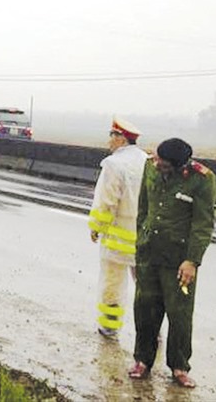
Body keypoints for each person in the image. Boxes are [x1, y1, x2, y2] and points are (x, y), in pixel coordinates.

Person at [128, 138, 216, 388]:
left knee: (179, 315)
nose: (157, 166)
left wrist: (192, 260)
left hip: (178, 261)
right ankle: (142, 360)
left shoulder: (202, 180)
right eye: (156, 160)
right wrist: (140, 240)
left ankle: (179, 366)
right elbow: (143, 208)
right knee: (144, 309)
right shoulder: (150, 167)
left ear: (180, 166)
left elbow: (202, 224)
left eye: (163, 164)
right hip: (149, 254)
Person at [88, 116, 147, 338]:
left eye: (112, 137)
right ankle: (153, 331)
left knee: (113, 283)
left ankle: (109, 326)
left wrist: (96, 227)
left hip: (117, 237)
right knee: (145, 286)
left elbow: (107, 202)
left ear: (121, 139)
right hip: (143, 236)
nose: (109, 142)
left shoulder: (113, 165)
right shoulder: (147, 161)